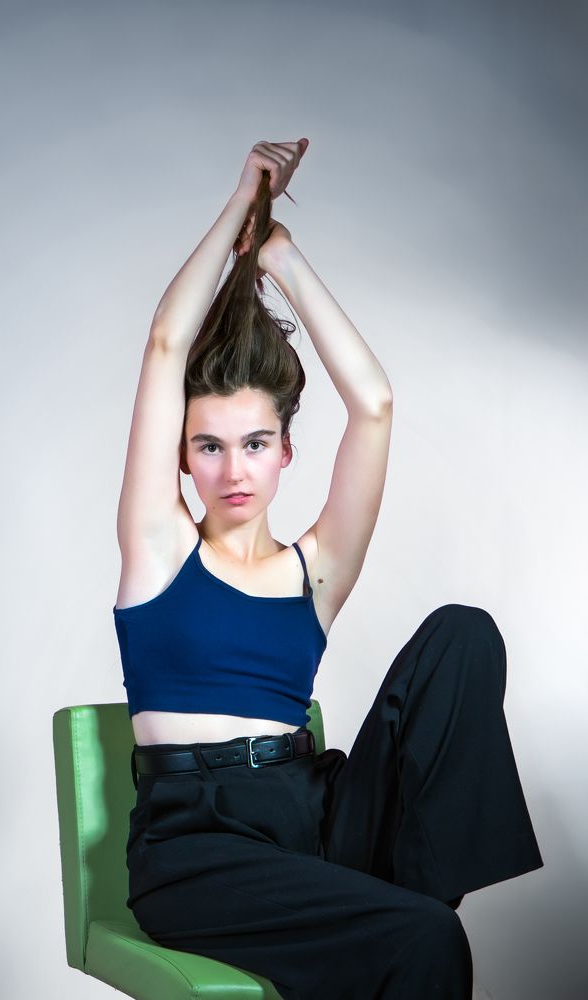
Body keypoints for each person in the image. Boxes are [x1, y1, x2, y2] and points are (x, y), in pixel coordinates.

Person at [112, 138, 544, 1000]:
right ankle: (409, 914)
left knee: (463, 636)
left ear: (285, 452)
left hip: (312, 811)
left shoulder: (314, 571)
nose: (233, 469)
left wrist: (282, 257)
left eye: (255, 444)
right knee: (428, 939)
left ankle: (410, 894)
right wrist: (241, 201)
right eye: (209, 446)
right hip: (197, 849)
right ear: (183, 459)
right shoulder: (159, 550)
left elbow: (374, 403)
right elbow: (165, 342)